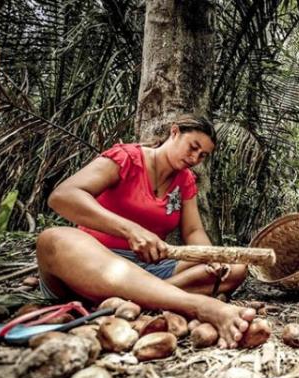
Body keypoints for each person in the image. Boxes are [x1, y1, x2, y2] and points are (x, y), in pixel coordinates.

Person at [36, 116, 254, 349]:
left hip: (150, 268)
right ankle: (196, 304)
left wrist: (211, 257)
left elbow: (193, 230)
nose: (194, 158)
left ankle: (137, 298)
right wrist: (130, 229)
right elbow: (62, 196)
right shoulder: (125, 158)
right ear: (174, 132)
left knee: (235, 267)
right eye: (193, 147)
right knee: (53, 239)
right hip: (93, 263)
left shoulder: (186, 180)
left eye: (202, 155)